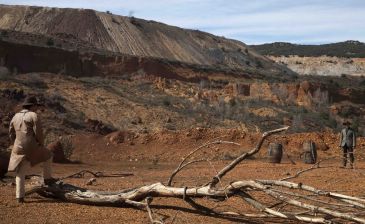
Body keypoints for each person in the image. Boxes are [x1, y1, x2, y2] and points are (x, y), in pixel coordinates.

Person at [8, 96, 57, 203]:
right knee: (48, 155)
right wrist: (41, 144)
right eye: (36, 106)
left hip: (17, 146)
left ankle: (19, 197)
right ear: (33, 106)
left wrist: (15, 143)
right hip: (31, 145)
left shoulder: (15, 116)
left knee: (20, 172)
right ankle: (47, 178)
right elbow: (38, 132)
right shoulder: (34, 115)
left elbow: (11, 133)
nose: (37, 108)